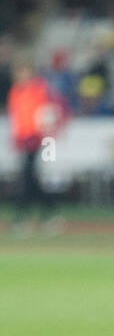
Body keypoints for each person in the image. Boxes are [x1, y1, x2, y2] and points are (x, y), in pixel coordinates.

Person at [7, 60, 65, 236]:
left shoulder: (40, 90)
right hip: (24, 141)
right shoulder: (16, 92)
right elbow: (17, 118)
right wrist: (17, 138)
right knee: (32, 180)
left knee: (29, 178)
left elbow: (52, 112)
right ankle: (49, 215)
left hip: (40, 140)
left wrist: (47, 135)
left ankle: (22, 218)